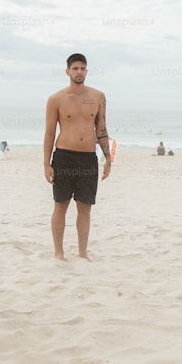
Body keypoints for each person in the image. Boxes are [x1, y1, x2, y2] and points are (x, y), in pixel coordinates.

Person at [44, 53, 111, 260]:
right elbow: (49, 133)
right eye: (75, 69)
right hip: (64, 157)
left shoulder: (98, 97)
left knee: (85, 207)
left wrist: (108, 158)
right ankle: (59, 253)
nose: (79, 72)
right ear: (67, 72)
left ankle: (82, 253)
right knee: (60, 205)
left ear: (87, 71)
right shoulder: (56, 99)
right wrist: (46, 164)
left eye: (82, 68)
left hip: (88, 159)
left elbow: (101, 129)